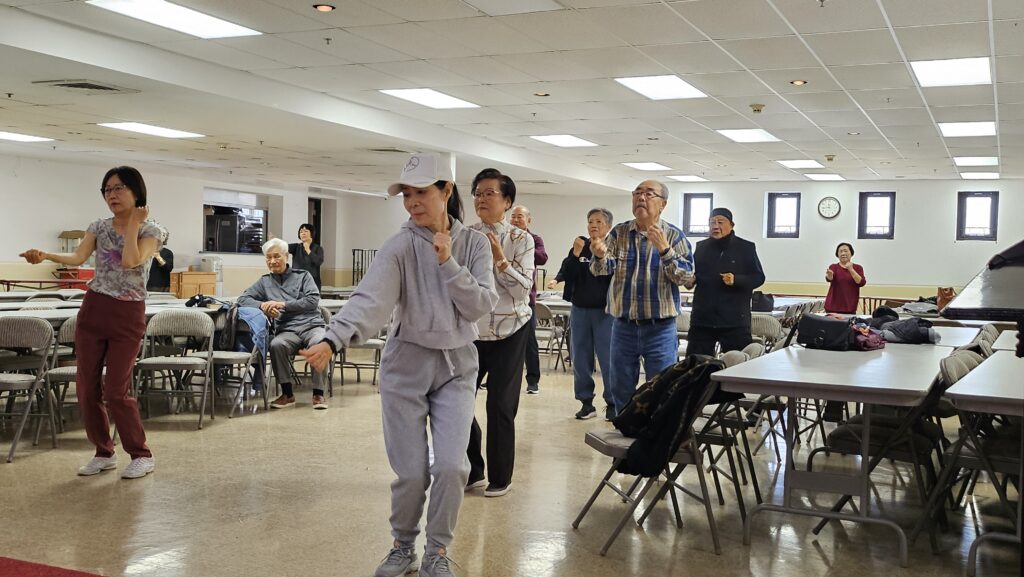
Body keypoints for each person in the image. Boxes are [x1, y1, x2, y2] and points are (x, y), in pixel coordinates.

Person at [299, 153, 497, 577]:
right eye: (406, 194)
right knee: (410, 473)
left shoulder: (474, 244)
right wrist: (334, 339)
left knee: (451, 466)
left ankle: (437, 551)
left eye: (421, 192)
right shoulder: (400, 245)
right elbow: (370, 299)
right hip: (406, 365)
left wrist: (448, 263)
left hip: (457, 366)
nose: (412, 202)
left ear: (446, 190)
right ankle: (402, 546)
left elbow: (481, 305)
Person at [20, 166, 165, 480]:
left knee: (115, 390)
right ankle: (103, 452)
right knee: (86, 387)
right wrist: (44, 255)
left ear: (136, 191)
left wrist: (134, 224)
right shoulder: (98, 226)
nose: (112, 195)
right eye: (107, 189)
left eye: (119, 188)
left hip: (128, 312)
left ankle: (140, 454)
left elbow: (130, 261)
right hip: (94, 307)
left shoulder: (151, 230)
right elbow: (78, 258)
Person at [591, 180, 693, 417]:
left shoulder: (674, 236)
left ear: (663, 204)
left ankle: (653, 443)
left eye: (648, 194)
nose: (641, 198)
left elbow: (686, 277)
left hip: (660, 328)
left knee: (662, 388)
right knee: (620, 389)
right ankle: (625, 439)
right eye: (637, 193)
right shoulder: (620, 232)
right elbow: (601, 270)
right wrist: (597, 257)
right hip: (623, 326)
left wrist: (665, 250)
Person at [466, 168, 534, 498]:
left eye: (489, 193)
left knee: (500, 406)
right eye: (478, 192)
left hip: (512, 330)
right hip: (473, 332)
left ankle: (500, 476)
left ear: (507, 201)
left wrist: (500, 261)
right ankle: (473, 469)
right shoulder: (464, 237)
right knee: (458, 401)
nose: (481, 198)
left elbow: (523, 291)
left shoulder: (522, 239)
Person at [237, 238, 328, 410]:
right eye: (268, 258)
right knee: (276, 344)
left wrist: (282, 305)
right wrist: (263, 305)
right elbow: (243, 298)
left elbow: (312, 301)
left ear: (286, 256)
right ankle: (287, 394)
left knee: (320, 343)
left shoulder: (303, 276)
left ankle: (319, 393)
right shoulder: (264, 281)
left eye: (277, 256)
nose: (272, 261)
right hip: (287, 329)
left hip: (312, 326)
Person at [548, 208, 615, 420]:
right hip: (580, 310)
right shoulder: (580, 246)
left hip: (606, 313)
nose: (593, 225)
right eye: (590, 221)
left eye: (598, 222)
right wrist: (576, 254)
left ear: (608, 226)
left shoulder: (614, 247)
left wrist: (601, 255)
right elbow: (567, 273)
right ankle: (586, 402)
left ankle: (612, 403)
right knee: (580, 359)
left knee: (608, 360)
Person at [686, 208, 766, 357]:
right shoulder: (701, 247)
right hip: (702, 319)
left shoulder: (746, 247)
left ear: (732, 225)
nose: (715, 226)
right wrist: (689, 280)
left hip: (734, 321)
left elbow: (758, 277)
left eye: (720, 222)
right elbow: (693, 275)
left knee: (737, 366)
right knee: (695, 366)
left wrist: (737, 279)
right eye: (712, 223)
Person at [509, 205, 547, 394]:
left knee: (529, 341)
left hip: (526, 299)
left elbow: (542, 257)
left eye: (520, 217)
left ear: (528, 220)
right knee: (500, 341)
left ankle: (533, 381)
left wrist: (524, 246)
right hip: (504, 299)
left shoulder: (535, 239)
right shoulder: (504, 237)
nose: (515, 220)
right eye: (513, 217)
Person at [825, 242, 866, 314]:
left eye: (845, 251)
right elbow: (829, 278)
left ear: (851, 253)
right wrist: (829, 276)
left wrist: (851, 269)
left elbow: (861, 282)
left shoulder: (858, 267)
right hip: (832, 307)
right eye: (840, 251)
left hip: (849, 307)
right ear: (837, 254)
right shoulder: (833, 267)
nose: (843, 253)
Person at [288, 223, 325, 290]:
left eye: (306, 231)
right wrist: (275, 242)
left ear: (311, 233)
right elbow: (282, 247)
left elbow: (318, 262)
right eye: (301, 232)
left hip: (313, 281)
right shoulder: (296, 247)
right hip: (297, 282)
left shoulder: (318, 248)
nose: (303, 233)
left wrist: (308, 250)